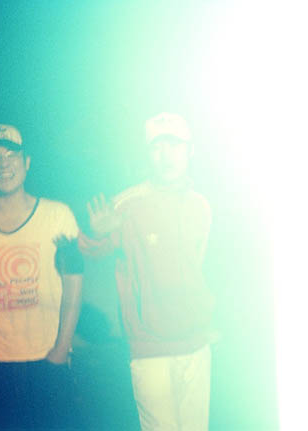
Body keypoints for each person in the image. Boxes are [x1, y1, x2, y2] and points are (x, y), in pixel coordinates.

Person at [79, 112, 214, 430]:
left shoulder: (201, 205)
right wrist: (97, 232)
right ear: (147, 154)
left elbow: (201, 267)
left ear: (190, 150)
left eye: (175, 145)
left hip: (196, 344)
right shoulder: (128, 204)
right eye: (157, 147)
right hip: (149, 348)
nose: (167, 155)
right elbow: (90, 249)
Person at [0, 124, 84, 429]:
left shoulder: (57, 215)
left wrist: (61, 350)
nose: (4, 164)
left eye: (12, 155)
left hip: (48, 358)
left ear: (27, 162)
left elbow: (74, 283)